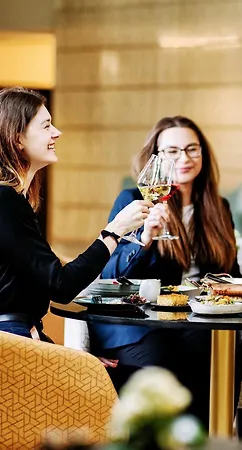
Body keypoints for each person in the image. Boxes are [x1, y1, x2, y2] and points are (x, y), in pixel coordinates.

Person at [88, 116, 242, 428]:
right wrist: (145, 239)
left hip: (194, 321)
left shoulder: (218, 207)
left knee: (219, 356)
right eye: (172, 151)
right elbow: (109, 272)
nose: (184, 159)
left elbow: (231, 274)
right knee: (161, 366)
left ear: (203, 153)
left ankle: (207, 441)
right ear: (155, 158)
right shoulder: (133, 201)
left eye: (192, 149)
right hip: (138, 324)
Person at [0, 87, 152, 342]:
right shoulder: (5, 201)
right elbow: (61, 286)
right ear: (18, 140)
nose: (57, 132)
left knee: (98, 362)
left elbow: (52, 274)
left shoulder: (13, 200)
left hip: (22, 335)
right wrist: (115, 230)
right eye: (46, 126)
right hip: (13, 341)